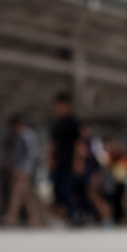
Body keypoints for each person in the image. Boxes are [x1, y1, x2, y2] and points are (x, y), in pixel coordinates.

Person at [3, 115, 43, 227]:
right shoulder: (17, 136)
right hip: (18, 169)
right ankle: (34, 218)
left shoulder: (28, 135)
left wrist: (26, 168)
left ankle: (11, 217)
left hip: (24, 170)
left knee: (17, 193)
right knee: (27, 195)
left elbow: (32, 154)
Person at [47, 93, 80, 222]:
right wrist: (49, 159)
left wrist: (77, 161)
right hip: (58, 161)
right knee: (57, 189)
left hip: (69, 161)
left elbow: (77, 144)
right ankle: (59, 215)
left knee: (67, 190)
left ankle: (67, 215)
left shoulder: (73, 123)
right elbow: (53, 144)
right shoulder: (56, 123)